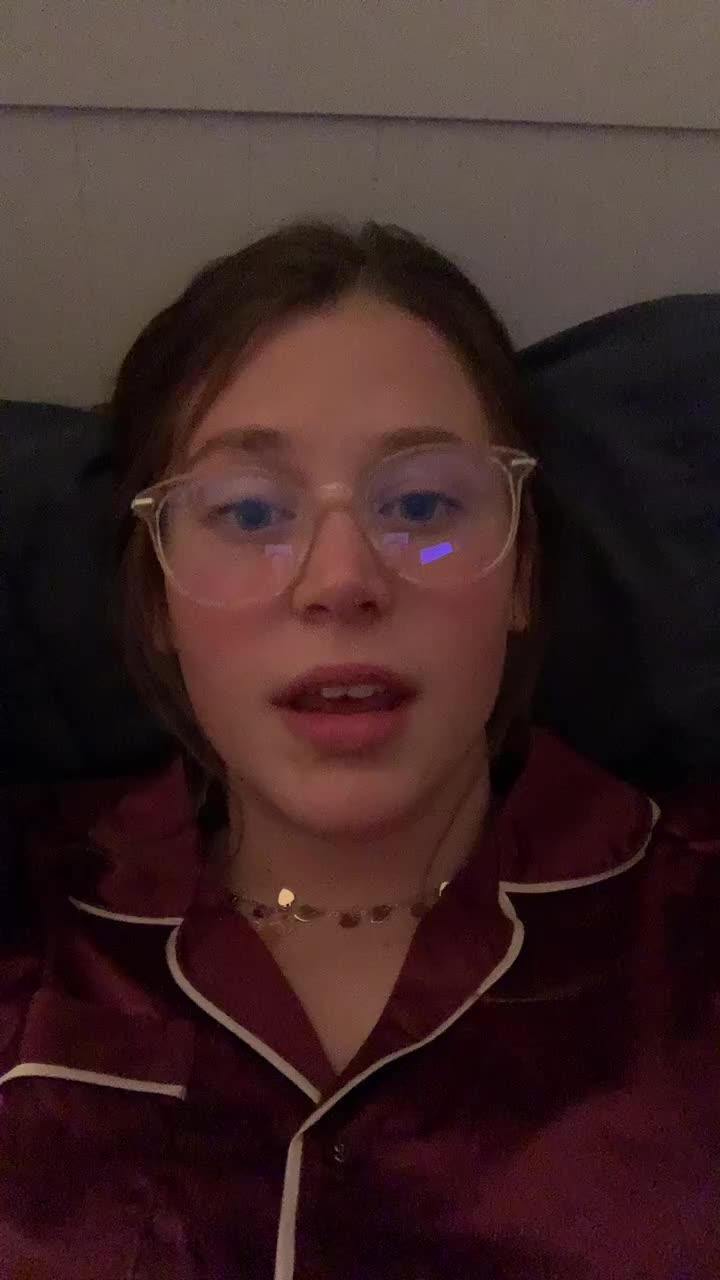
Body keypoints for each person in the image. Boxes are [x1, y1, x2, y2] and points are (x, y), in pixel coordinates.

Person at [1, 220, 718, 1280]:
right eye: (249, 511)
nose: (341, 580)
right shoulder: (29, 917)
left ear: (522, 571)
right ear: (152, 598)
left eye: (422, 504)